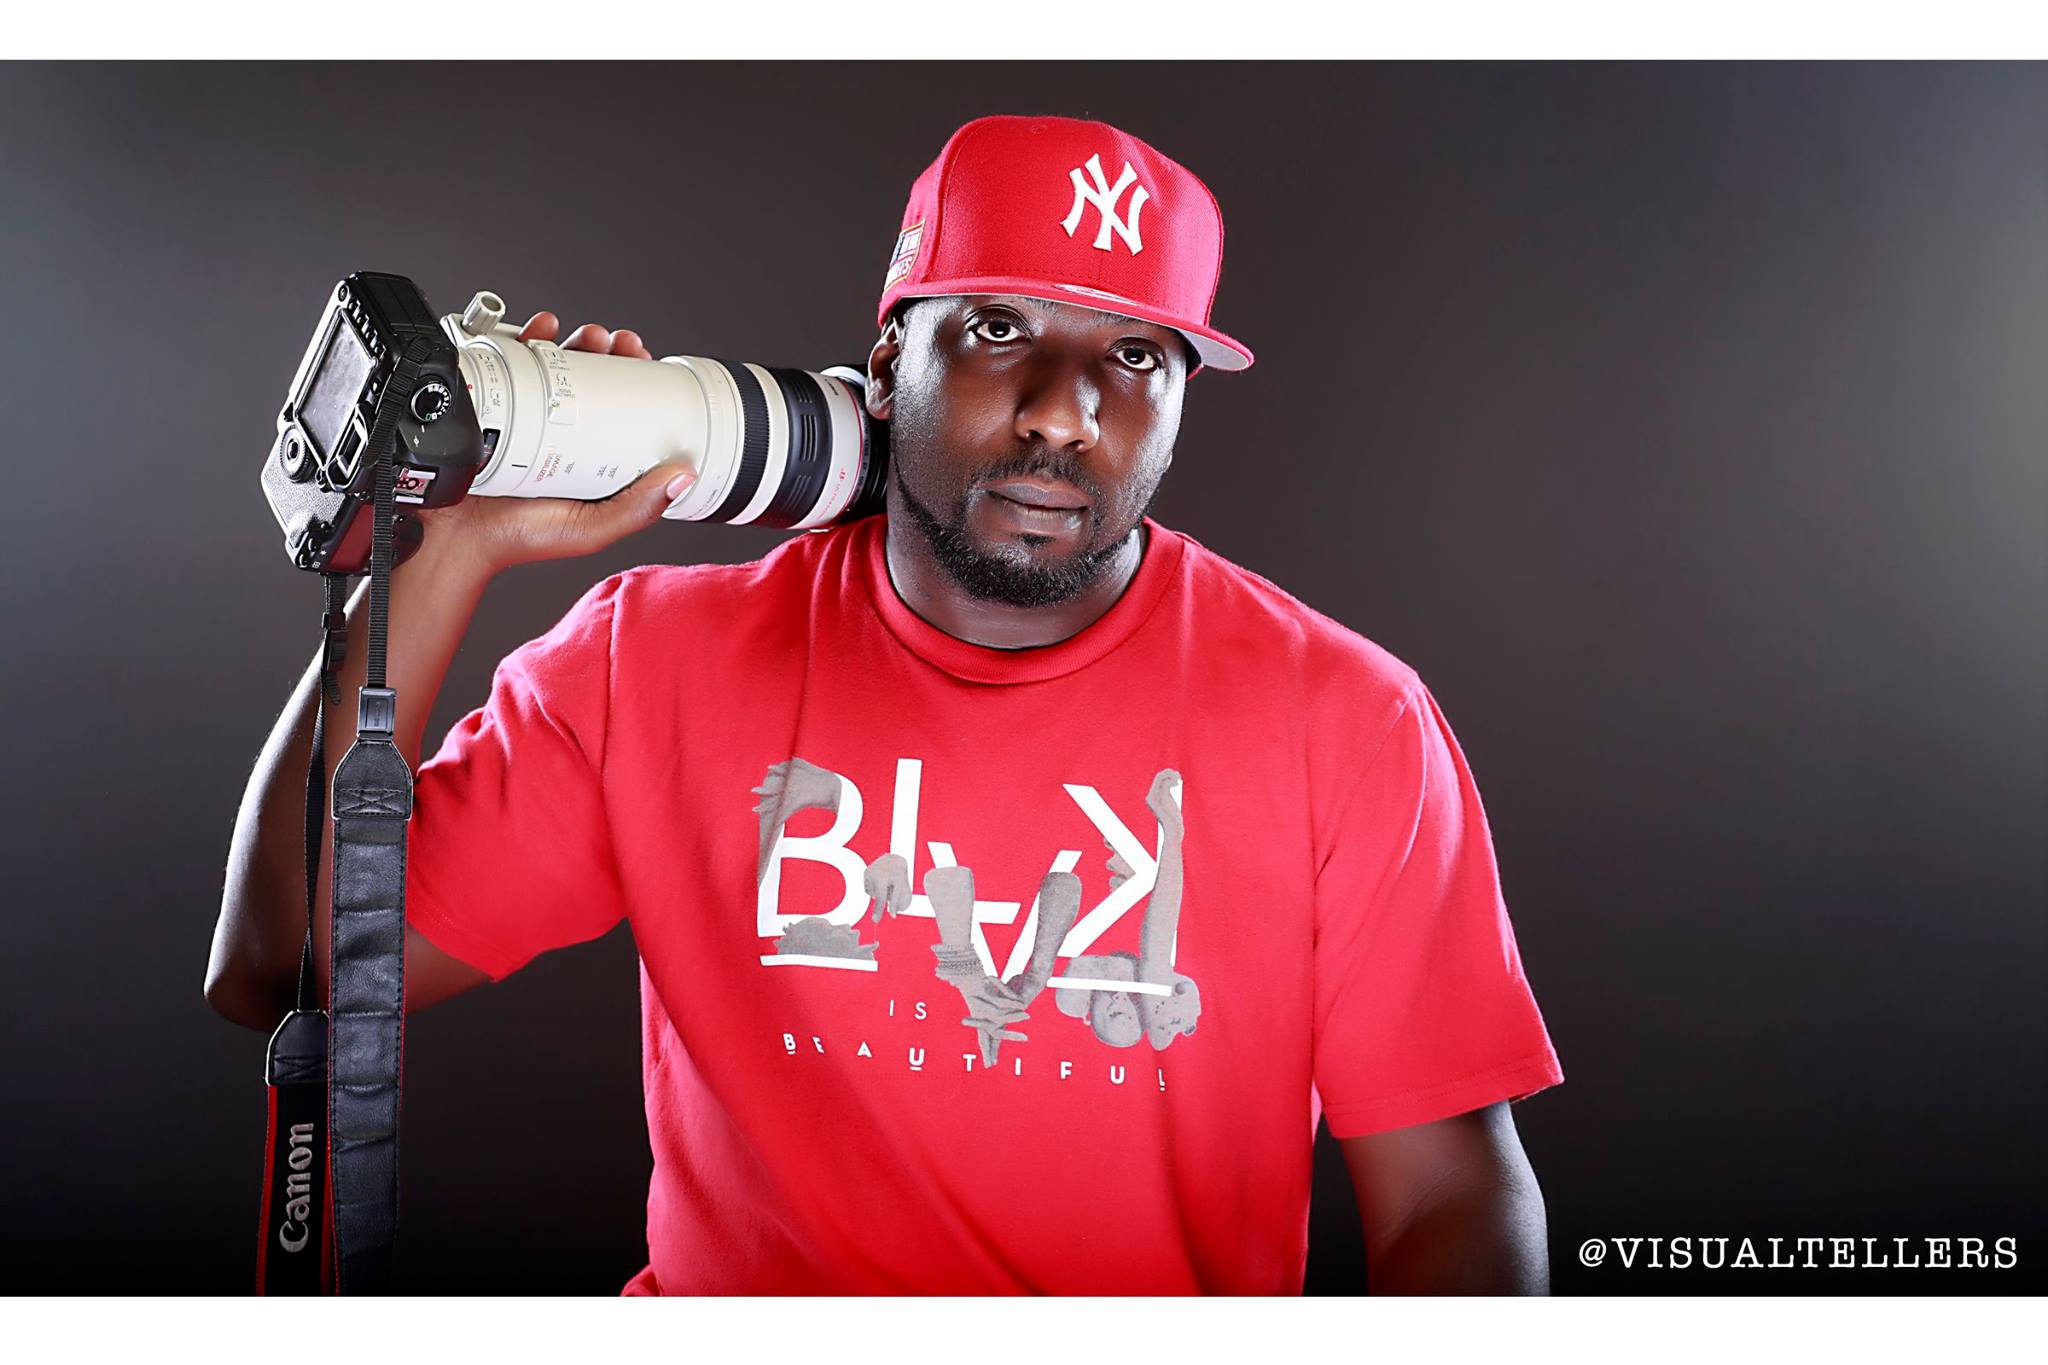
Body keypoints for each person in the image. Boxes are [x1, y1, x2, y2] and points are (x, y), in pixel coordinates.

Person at [208, 113, 1563, 1294]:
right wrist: (438, 551)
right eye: (997, 329)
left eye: (1135, 356)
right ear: (888, 356)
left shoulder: (1347, 721)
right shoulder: (653, 659)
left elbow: (1447, 1196)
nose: (1063, 412)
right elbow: (285, 963)